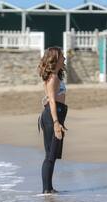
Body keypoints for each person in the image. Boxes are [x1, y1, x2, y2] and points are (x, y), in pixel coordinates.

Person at [38, 47, 68, 194]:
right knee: (50, 155)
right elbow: (52, 101)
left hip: (55, 114)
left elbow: (50, 98)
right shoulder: (53, 78)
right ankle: (46, 190)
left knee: (52, 155)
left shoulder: (55, 76)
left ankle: (49, 188)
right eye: (62, 56)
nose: (64, 59)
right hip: (52, 117)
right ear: (55, 59)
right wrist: (56, 123)